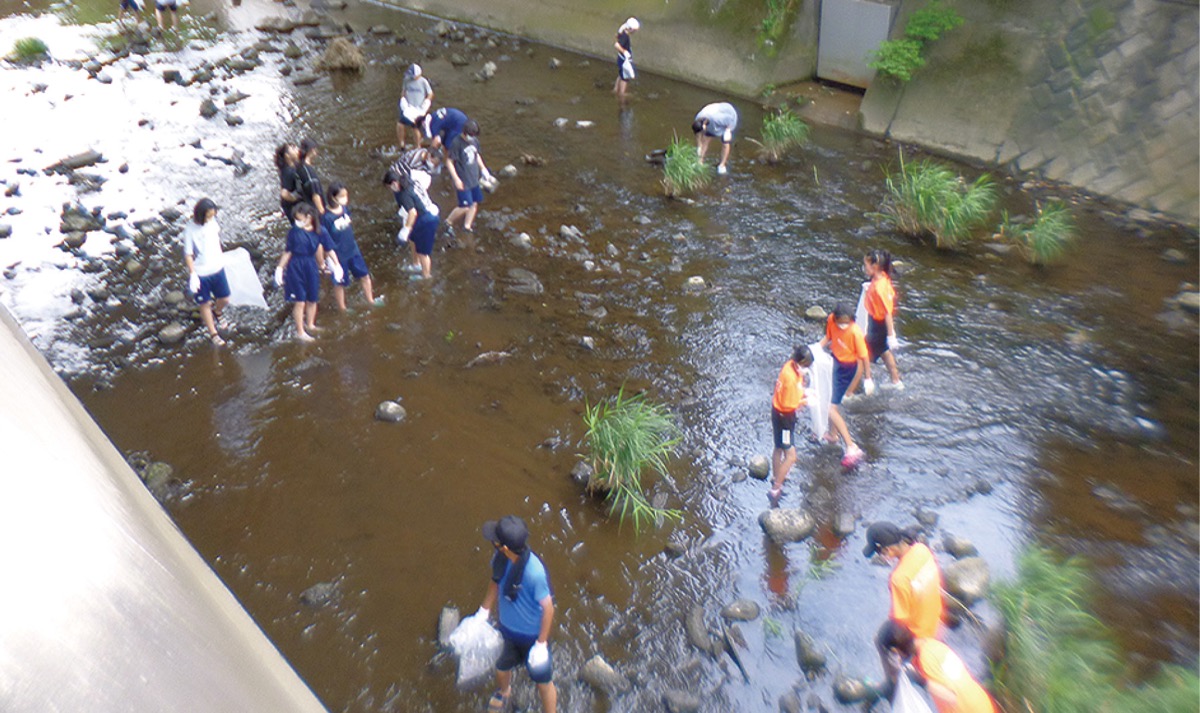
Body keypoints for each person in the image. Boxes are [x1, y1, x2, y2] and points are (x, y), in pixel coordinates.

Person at [476, 516, 557, 713]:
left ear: (504, 547)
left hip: (531, 637)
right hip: (508, 631)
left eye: (495, 540)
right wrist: (483, 611)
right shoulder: (500, 560)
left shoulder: (534, 573)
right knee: (502, 667)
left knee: (543, 682)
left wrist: (541, 644)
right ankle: (505, 692)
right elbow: (495, 583)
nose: (492, 543)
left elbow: (548, 608)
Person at [863, 522, 944, 697]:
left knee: (881, 640)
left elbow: (900, 624)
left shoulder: (899, 578)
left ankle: (894, 685)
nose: (880, 556)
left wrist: (895, 647)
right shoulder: (921, 549)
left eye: (879, 552)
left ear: (887, 550)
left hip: (919, 635)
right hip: (935, 620)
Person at [884, 629, 998, 713]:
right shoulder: (931, 644)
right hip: (981, 701)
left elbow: (950, 696)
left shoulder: (926, 660)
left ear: (896, 651)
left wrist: (920, 681)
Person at [274, 202, 340, 341]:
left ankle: (310, 325)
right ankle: (300, 332)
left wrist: (336, 264)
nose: (297, 222)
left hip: (311, 265)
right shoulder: (294, 232)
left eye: (300, 218)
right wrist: (280, 268)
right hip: (296, 266)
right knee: (300, 301)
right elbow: (288, 251)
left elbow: (328, 248)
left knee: (312, 298)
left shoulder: (320, 231)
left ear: (309, 217)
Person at [818, 303, 869, 467]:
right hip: (835, 361)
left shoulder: (855, 332)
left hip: (847, 368)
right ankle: (833, 435)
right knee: (831, 400)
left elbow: (864, 357)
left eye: (846, 322)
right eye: (841, 321)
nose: (843, 325)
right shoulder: (832, 320)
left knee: (829, 407)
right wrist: (816, 349)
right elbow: (829, 337)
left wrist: (866, 378)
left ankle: (851, 446)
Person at [320, 182, 382, 310]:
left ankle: (370, 300)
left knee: (364, 275)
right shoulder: (326, 218)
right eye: (342, 196)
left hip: (353, 249)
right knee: (340, 283)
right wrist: (326, 260)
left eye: (346, 195)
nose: (345, 198)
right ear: (333, 197)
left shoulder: (345, 209)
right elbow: (323, 240)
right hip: (338, 255)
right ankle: (343, 308)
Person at [182, 198, 231, 346]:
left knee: (225, 298)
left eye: (213, 215)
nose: (211, 218)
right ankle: (213, 333)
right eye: (209, 215)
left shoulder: (212, 223)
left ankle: (218, 311)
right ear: (200, 215)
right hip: (202, 272)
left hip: (217, 267)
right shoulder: (190, 230)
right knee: (205, 303)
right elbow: (188, 254)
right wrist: (192, 274)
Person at [768, 344, 814, 506]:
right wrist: (805, 401)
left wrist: (802, 392)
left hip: (776, 411)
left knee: (778, 447)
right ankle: (776, 488)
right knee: (791, 456)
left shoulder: (789, 366)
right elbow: (789, 405)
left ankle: (776, 475)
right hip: (785, 418)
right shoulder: (790, 377)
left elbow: (794, 390)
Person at [383, 159, 440, 281]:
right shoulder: (410, 181)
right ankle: (416, 265)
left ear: (394, 183)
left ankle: (426, 277)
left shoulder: (404, 193)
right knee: (413, 240)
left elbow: (412, 213)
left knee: (423, 252)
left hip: (426, 219)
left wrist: (405, 229)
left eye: (390, 187)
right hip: (426, 213)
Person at [863, 249, 904, 390]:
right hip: (876, 323)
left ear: (875, 267)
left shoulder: (880, 288)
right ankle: (896, 381)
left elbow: (887, 312)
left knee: (862, 354)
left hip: (878, 326)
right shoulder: (881, 278)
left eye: (866, 266)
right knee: (884, 351)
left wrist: (891, 335)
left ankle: (862, 384)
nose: (864, 269)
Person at [445, 120, 493, 237]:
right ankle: (448, 222)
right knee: (464, 206)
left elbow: (477, 156)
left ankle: (467, 226)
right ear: (465, 133)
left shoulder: (475, 141)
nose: (472, 138)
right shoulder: (457, 143)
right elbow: (449, 161)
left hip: (474, 178)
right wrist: (456, 179)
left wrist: (484, 170)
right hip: (463, 180)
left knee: (474, 204)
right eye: (470, 136)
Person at [692, 102, 739, 175]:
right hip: (711, 121)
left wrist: (728, 130)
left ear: (704, 126)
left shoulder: (717, 118)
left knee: (725, 142)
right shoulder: (697, 120)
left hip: (729, 117)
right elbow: (698, 136)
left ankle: (722, 165)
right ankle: (700, 161)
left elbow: (730, 120)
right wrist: (699, 147)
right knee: (705, 139)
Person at [396, 64, 434, 148]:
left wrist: (426, 102)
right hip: (408, 109)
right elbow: (403, 91)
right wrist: (403, 100)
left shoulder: (423, 82)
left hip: (419, 110)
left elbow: (430, 94)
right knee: (400, 125)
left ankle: (418, 146)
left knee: (415, 128)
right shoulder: (406, 80)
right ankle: (402, 145)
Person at [297, 138, 326, 216]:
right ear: (311, 150)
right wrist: (322, 211)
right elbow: (315, 193)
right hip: (314, 211)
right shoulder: (307, 170)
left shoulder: (300, 166)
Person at [274, 142, 302, 223]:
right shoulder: (288, 171)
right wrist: (296, 198)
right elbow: (284, 193)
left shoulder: (294, 166)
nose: (297, 149)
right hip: (292, 208)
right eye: (293, 148)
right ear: (287, 156)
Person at [613, 17, 639, 100]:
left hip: (621, 59)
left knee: (621, 74)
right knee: (625, 77)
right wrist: (624, 52)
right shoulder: (625, 36)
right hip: (624, 59)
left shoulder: (623, 31)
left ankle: (616, 89)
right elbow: (616, 45)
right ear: (631, 29)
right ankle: (622, 94)